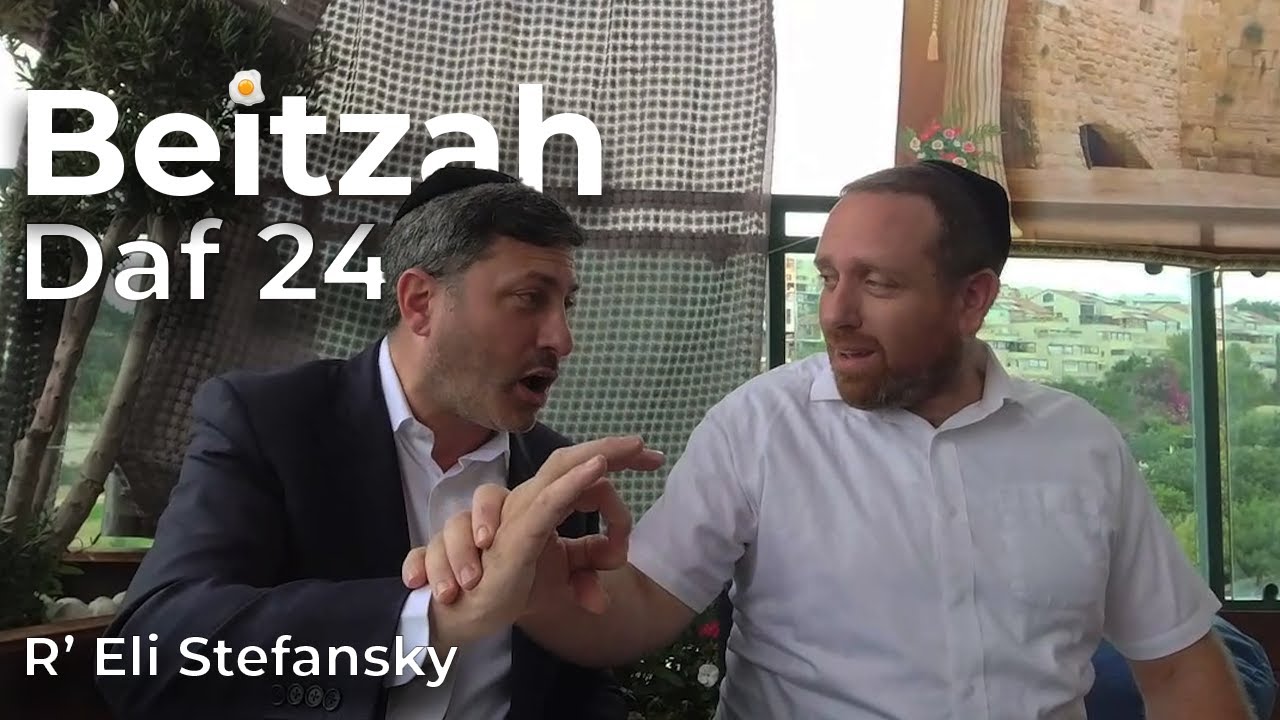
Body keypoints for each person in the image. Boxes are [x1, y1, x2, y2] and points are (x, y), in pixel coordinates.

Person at [407, 160, 1258, 719]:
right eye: (826, 276)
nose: (836, 312)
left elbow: (1181, 667)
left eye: (876, 283)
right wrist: (536, 587)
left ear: (972, 299)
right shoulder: (760, 426)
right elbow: (635, 613)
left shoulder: (1082, 447)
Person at [96, 166, 662, 720]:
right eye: (529, 298)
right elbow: (149, 657)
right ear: (419, 303)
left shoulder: (552, 478)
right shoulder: (271, 423)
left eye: (567, 305)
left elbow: (579, 686)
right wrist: (426, 621)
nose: (562, 338)